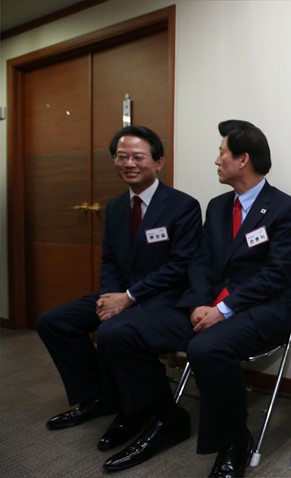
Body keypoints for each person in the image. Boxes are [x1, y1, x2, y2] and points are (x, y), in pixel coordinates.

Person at [103, 119, 291, 477]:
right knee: (118, 333)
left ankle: (234, 441)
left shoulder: (284, 208)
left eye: (222, 152)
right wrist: (199, 303)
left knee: (206, 348)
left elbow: (278, 273)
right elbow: (200, 262)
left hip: (262, 309)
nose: (216, 160)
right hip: (208, 306)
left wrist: (223, 309)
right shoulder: (217, 206)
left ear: (243, 159)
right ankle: (165, 417)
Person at [36, 126, 202, 454]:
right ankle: (99, 397)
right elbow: (110, 259)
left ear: (158, 163)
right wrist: (108, 297)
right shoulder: (114, 207)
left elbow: (181, 266)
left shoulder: (182, 205)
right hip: (121, 294)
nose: (129, 163)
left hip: (165, 298)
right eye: (121, 157)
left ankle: (148, 412)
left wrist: (128, 297)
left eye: (138, 157)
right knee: (54, 322)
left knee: (113, 332)